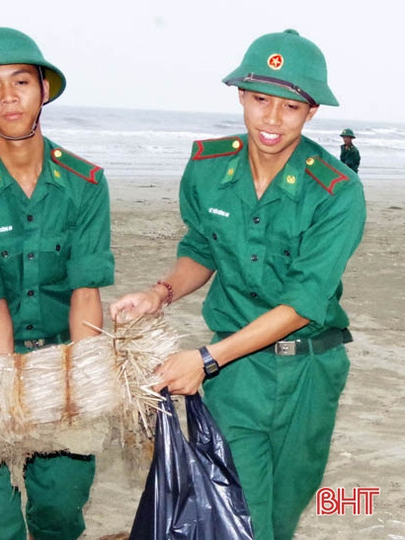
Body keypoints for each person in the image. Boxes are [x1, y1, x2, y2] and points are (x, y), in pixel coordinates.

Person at [109, 30, 365, 540]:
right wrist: (159, 294)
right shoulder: (208, 168)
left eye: (290, 107)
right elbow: (202, 249)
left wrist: (204, 359)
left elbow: (301, 304)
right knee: (242, 520)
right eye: (260, 100)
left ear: (311, 112)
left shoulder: (336, 191)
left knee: (279, 518)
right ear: (241, 97)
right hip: (235, 376)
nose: (271, 119)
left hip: (308, 375)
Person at [0, 27, 115, 539]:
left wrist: (81, 380)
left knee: (61, 509)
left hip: (63, 355)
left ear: (44, 90)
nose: (8, 96)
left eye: (21, 81)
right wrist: (2, 389)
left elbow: (85, 289)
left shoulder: (85, 183)